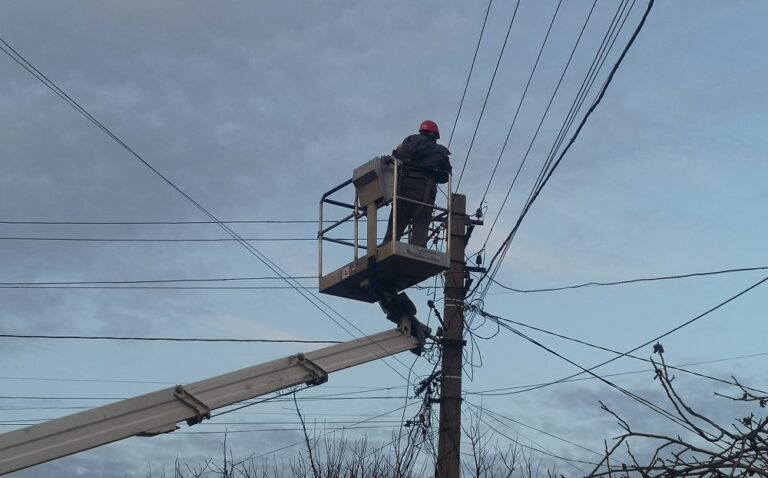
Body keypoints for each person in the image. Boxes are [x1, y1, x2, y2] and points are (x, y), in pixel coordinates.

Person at [382, 120, 452, 248]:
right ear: (434, 135)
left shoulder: (405, 144)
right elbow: (446, 175)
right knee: (420, 223)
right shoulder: (439, 152)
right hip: (424, 192)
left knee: (396, 223)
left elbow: (394, 158)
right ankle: (418, 250)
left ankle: (386, 247)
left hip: (402, 189)